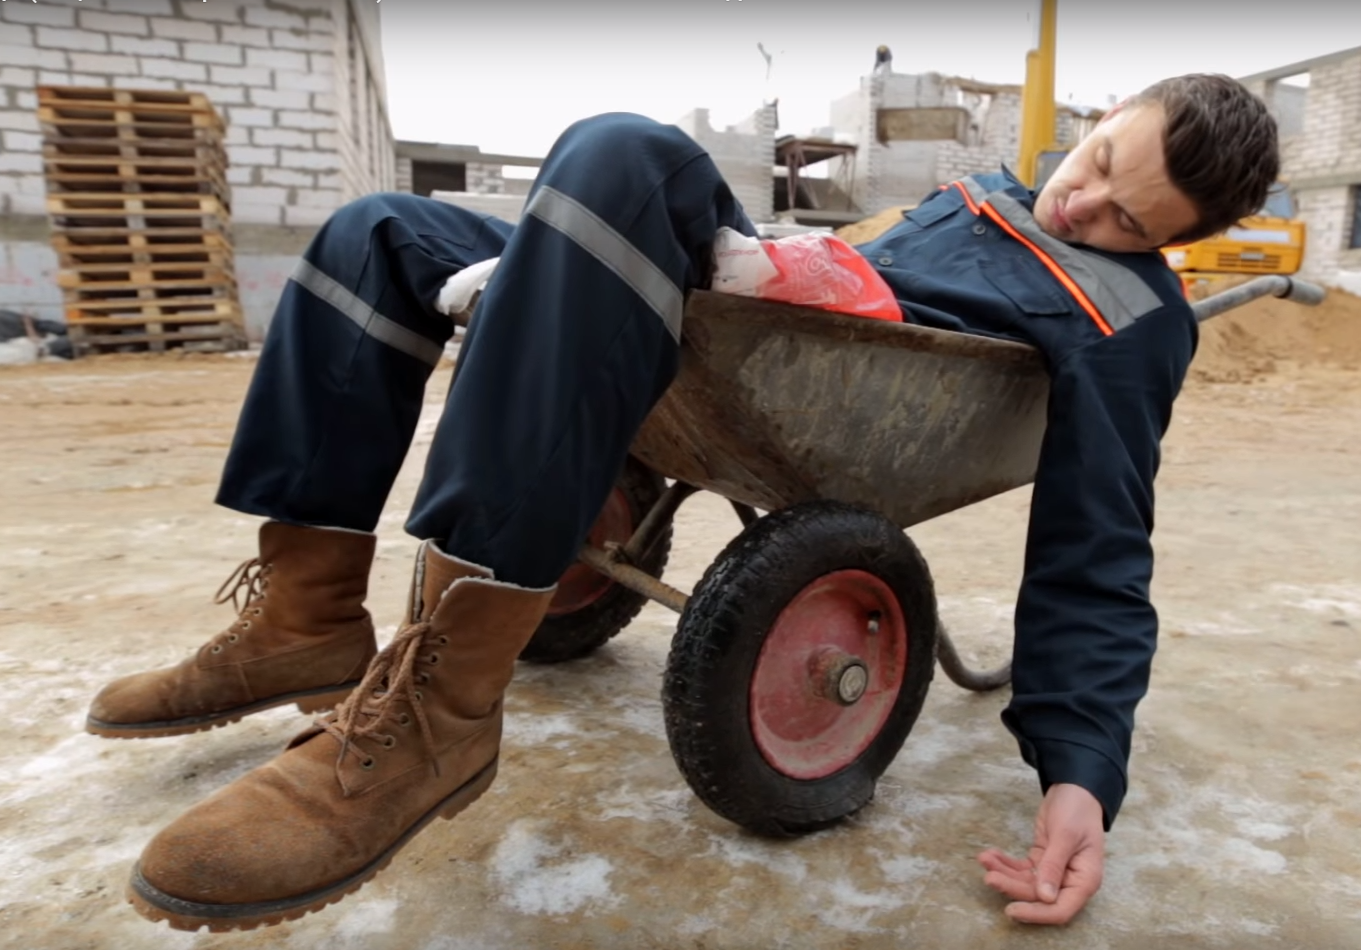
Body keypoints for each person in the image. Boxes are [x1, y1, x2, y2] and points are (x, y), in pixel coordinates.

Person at [84, 73, 1278, 931]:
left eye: (1133, 222)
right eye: (1098, 166)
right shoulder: (976, 197)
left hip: (845, 362)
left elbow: (1099, 544)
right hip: (772, 319)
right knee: (375, 231)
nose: (1081, 210)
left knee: (622, 149)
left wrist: (1081, 771)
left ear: (1178, 246)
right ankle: (306, 613)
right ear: (1101, 120)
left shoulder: (1129, 322)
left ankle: (443, 712)